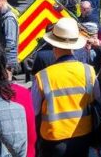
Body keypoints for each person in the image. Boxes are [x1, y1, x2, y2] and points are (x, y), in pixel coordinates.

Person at [31, 17, 97, 157]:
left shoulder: (42, 77)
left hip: (53, 140)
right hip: (83, 136)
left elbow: (34, 111)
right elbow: (95, 101)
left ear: (54, 46)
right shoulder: (89, 71)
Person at [0, 0, 20, 71]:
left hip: (6, 61)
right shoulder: (3, 17)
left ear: (3, 1)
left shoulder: (8, 19)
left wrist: (7, 63)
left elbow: (10, 42)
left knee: (6, 82)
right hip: (3, 59)